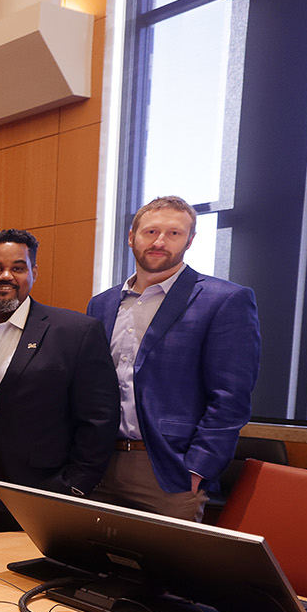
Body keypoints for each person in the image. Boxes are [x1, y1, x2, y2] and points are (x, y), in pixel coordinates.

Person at [87, 196, 261, 521]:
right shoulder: (101, 304)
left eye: (174, 234)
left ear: (190, 240)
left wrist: (197, 468)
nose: (159, 242)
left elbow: (231, 398)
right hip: (100, 462)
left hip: (167, 469)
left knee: (166, 570)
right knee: (92, 566)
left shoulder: (225, 301)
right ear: (131, 236)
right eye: (150, 231)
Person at [0, 229, 118, 533]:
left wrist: (73, 488)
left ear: (34, 271)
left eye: (17, 267)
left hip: (36, 496)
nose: (6, 276)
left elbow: (99, 420)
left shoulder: (75, 333)